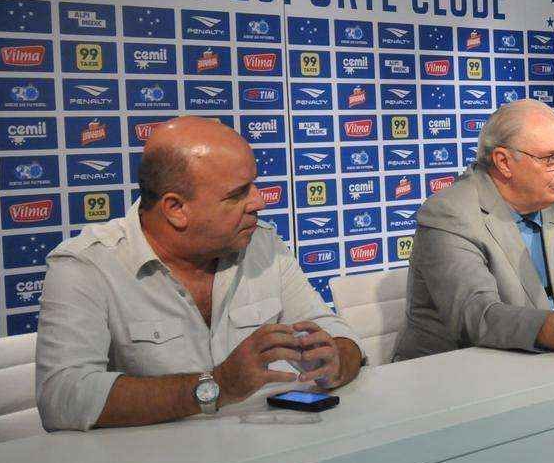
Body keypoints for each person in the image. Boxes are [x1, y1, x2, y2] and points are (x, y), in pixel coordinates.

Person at [36, 117, 363, 431]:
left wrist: (335, 362)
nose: (259, 201)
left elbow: (338, 336)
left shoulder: (263, 244)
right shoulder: (86, 266)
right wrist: (217, 387)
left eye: (254, 184)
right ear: (176, 208)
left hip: (269, 455)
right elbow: (63, 396)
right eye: (237, 194)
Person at [393, 99, 554, 361]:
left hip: (552, 367)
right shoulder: (451, 213)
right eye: (552, 158)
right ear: (504, 162)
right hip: (452, 376)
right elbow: (480, 317)